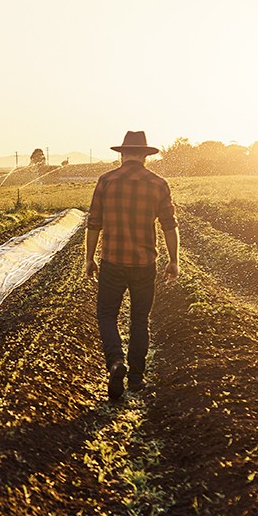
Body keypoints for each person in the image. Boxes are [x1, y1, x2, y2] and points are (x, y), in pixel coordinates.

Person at [84, 131, 179, 400]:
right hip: (144, 263)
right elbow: (169, 226)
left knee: (106, 315)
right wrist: (174, 260)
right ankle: (137, 378)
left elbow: (94, 224)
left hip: (112, 260)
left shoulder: (106, 181)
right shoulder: (158, 184)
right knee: (140, 319)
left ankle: (115, 361)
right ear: (145, 156)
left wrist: (89, 259)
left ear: (122, 154)